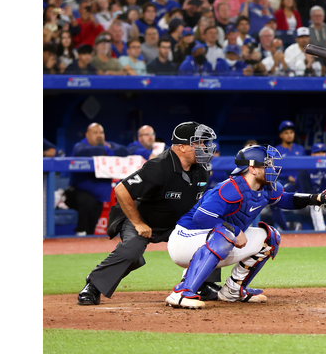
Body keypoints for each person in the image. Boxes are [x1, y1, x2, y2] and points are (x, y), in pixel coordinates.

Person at [163, 144, 326, 307]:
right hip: (185, 241)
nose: (272, 168)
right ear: (252, 168)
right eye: (267, 165)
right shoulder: (230, 188)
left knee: (270, 237)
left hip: (213, 240)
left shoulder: (266, 187)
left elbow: (287, 199)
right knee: (226, 234)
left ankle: (233, 290)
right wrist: (234, 230)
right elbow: (201, 218)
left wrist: (318, 199)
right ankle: (181, 292)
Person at [77, 122, 221, 306]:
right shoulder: (159, 167)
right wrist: (137, 223)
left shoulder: (203, 169)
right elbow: (121, 190)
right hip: (142, 218)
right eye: (198, 143)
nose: (204, 147)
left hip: (175, 222)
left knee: (210, 237)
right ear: (182, 147)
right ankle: (93, 285)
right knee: (132, 252)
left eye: (204, 143)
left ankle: (204, 283)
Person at [68, 123, 130, 237]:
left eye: (101, 133)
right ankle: (80, 231)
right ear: (87, 135)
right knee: (87, 202)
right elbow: (83, 152)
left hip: (99, 195)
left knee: (92, 223)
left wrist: (107, 150)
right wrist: (106, 149)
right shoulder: (80, 145)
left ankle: (87, 239)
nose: (99, 135)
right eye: (95, 133)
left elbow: (124, 151)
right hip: (77, 192)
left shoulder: (108, 145)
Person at [297, 142, 326, 231]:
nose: (321, 155)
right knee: (315, 203)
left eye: (323, 152)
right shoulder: (305, 168)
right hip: (303, 202)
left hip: (321, 199)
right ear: (312, 154)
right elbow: (306, 190)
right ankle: (321, 232)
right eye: (318, 152)